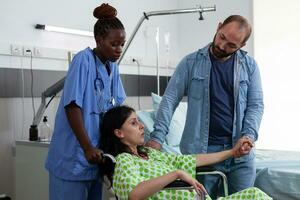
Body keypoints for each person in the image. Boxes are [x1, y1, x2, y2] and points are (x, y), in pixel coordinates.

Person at [146, 15, 264, 198]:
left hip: (240, 154)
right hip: (203, 153)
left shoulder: (250, 66)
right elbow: (169, 100)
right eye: (222, 37)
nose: (222, 46)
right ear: (218, 27)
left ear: (241, 46)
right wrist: (157, 137)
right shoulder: (190, 63)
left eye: (231, 45)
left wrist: (248, 136)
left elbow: (255, 105)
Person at [99, 105, 271, 200]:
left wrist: (232, 153)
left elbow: (192, 160)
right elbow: (134, 194)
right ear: (119, 133)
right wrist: (176, 174)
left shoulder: (150, 155)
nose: (142, 126)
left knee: (255, 194)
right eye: (134, 123)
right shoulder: (124, 160)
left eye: (139, 122)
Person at [45, 3, 126, 200]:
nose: (119, 49)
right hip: (74, 157)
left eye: (122, 44)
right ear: (99, 40)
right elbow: (72, 106)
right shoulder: (83, 60)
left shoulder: (112, 67)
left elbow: (117, 110)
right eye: (114, 44)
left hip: (95, 161)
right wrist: (87, 146)